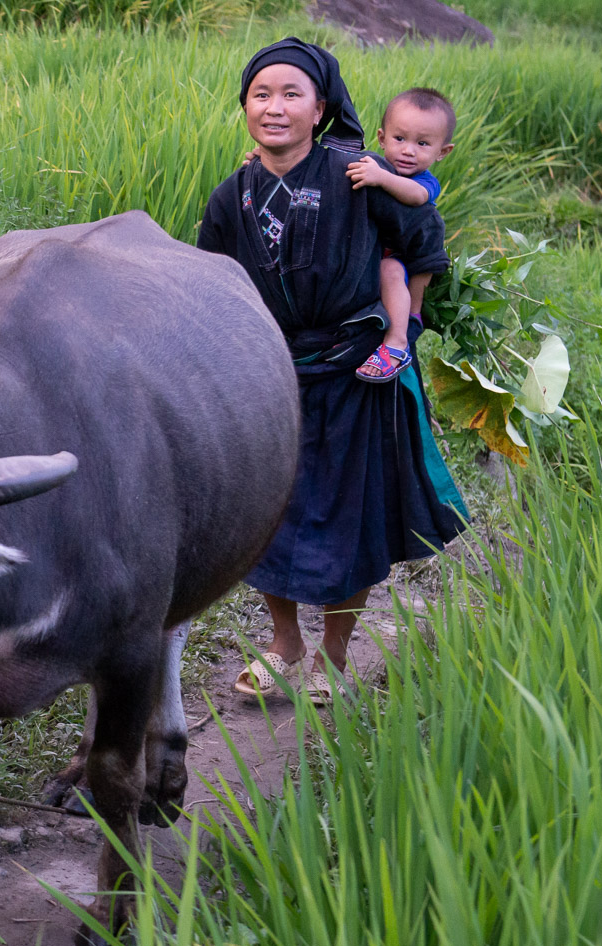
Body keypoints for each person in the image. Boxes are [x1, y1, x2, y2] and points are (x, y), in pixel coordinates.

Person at [195, 38, 468, 700]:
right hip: (273, 379)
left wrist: (404, 332)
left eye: (292, 94)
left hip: (356, 372)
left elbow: (420, 244)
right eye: (262, 94)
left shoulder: (358, 171)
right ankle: (285, 643)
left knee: (353, 519)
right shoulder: (232, 196)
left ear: (320, 108)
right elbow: (212, 284)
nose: (276, 106)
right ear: (245, 107)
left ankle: (334, 656)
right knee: (269, 517)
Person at [345, 88, 457, 382]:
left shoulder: (424, 181)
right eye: (399, 139)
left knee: (390, 270)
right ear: (381, 138)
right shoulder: (377, 166)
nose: (408, 150)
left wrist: (382, 178)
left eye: (422, 143)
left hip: (405, 262)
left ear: (442, 152)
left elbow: (417, 197)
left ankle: (399, 338)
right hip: (372, 252)